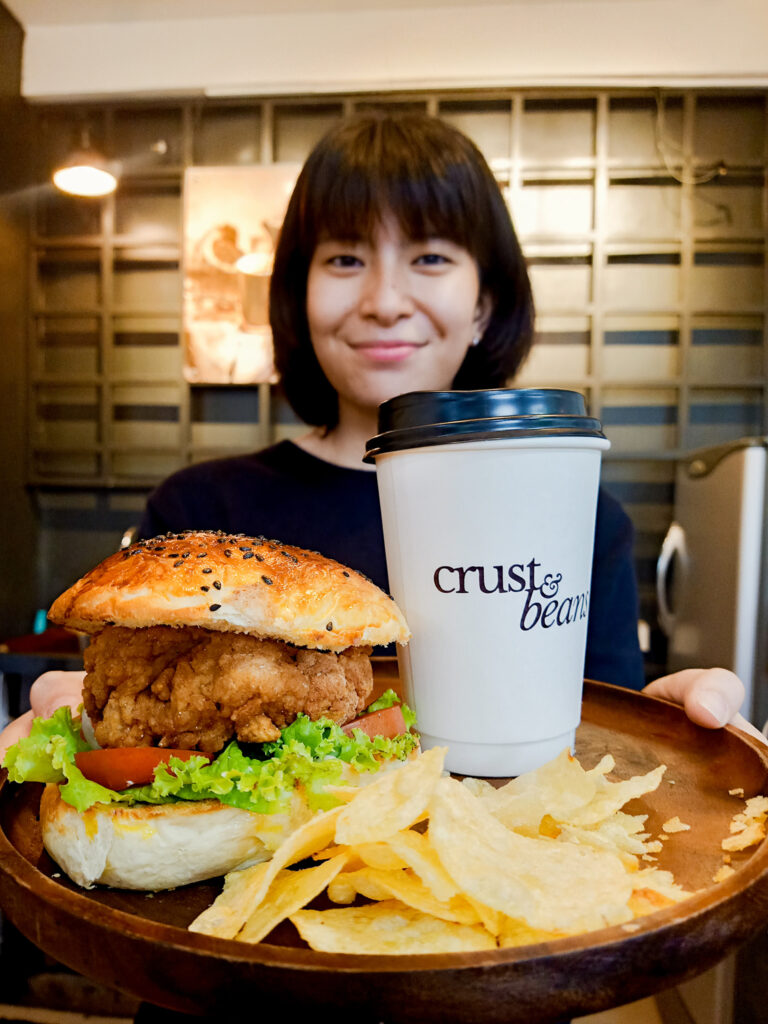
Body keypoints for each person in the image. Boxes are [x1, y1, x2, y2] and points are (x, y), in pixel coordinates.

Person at [0, 110, 760, 754]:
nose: (385, 298)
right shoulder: (199, 512)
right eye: (344, 257)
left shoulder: (582, 521)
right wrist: (84, 718)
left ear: (485, 305)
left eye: (429, 256)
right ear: (299, 297)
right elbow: (117, 700)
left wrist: (667, 725)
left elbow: (598, 725)